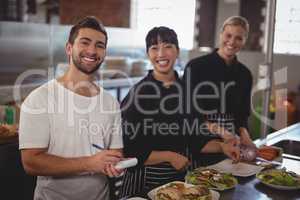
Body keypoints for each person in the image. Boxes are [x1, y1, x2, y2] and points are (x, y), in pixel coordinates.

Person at [119, 26, 240, 198]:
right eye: (154, 48)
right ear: (148, 54)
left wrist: (222, 146)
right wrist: (169, 156)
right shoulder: (139, 94)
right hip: (144, 181)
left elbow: (196, 139)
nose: (161, 54)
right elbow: (129, 149)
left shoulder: (187, 91)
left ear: (177, 51)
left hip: (179, 180)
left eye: (167, 46)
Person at [19, 16, 123, 200]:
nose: (92, 50)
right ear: (69, 48)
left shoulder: (111, 103)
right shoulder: (40, 99)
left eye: (100, 45)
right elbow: (31, 162)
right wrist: (90, 163)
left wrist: (114, 163)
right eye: (85, 42)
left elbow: (115, 153)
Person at [183, 16, 255, 148]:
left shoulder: (245, 74)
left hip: (232, 142)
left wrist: (246, 137)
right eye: (228, 35)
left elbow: (242, 115)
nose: (232, 42)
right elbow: (189, 112)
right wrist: (220, 131)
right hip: (201, 141)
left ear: (244, 41)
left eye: (239, 38)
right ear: (220, 35)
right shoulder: (195, 67)